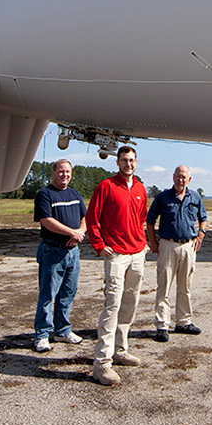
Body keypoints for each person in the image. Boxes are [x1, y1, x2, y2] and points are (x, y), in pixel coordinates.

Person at [85, 145, 149, 386]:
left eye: (131, 160)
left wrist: (142, 244)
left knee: (130, 303)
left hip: (137, 254)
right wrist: (99, 245)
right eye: (124, 160)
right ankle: (102, 364)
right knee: (111, 305)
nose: (128, 164)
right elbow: (92, 217)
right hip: (116, 255)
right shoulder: (106, 186)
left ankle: (120, 350)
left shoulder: (141, 188)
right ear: (117, 162)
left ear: (136, 162)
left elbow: (141, 218)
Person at [147, 165, 206, 342]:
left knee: (185, 287)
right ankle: (162, 325)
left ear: (189, 179)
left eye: (184, 177)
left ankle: (183, 322)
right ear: (173, 177)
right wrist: (154, 243)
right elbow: (150, 221)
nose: (181, 179)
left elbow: (203, 218)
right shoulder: (163, 197)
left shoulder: (195, 197)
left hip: (188, 246)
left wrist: (200, 235)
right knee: (164, 286)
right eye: (178, 176)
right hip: (167, 245)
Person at [32, 159, 86, 352]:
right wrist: (71, 233)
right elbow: (46, 220)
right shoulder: (45, 194)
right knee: (48, 294)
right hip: (52, 250)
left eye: (68, 172)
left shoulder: (75, 194)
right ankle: (42, 334)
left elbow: (83, 217)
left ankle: (62, 330)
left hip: (73, 252)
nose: (65, 175)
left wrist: (79, 233)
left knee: (68, 293)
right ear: (54, 173)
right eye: (61, 172)